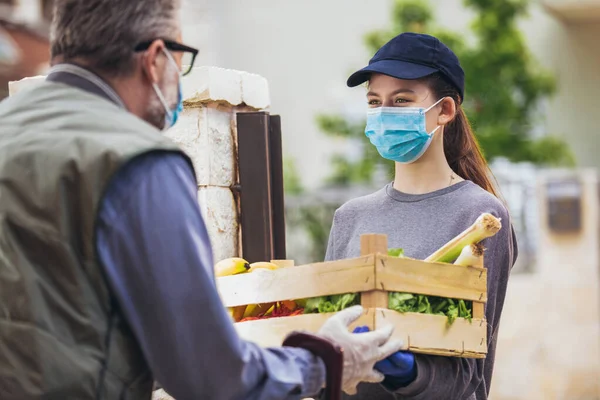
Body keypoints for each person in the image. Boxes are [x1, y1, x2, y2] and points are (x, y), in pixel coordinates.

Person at [0, 1, 404, 399]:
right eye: (181, 57)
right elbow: (212, 374)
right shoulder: (137, 161)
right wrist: (328, 362)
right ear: (156, 58)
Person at [322, 32, 519, 400]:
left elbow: (469, 376)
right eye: (374, 102)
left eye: (401, 101)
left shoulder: (480, 217)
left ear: (444, 110)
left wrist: (405, 371)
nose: (383, 113)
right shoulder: (348, 217)